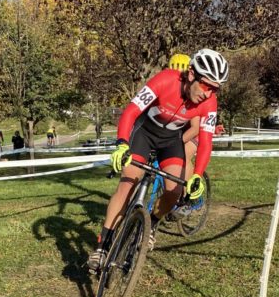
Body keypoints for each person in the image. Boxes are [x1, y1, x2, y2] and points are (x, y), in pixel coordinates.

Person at [87, 48, 228, 272]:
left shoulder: (209, 103)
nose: (208, 94)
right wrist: (122, 143)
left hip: (171, 141)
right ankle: (102, 246)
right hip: (144, 134)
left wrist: (198, 175)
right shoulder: (165, 80)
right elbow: (131, 111)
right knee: (127, 185)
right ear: (191, 74)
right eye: (205, 85)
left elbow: (206, 140)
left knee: (174, 191)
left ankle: (151, 224)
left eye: (215, 89)